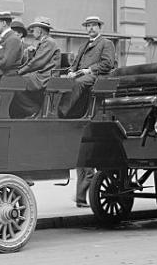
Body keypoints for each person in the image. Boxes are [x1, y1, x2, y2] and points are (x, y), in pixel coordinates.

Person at [65, 15, 117, 207]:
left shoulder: (106, 44)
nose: (90, 29)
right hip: (82, 80)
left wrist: (87, 70)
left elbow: (107, 64)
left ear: (99, 27)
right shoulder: (84, 45)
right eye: (87, 26)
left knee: (76, 84)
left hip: (95, 79)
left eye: (93, 26)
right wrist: (71, 70)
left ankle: (63, 112)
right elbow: (75, 64)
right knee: (66, 82)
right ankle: (80, 197)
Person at [10, 16, 61, 119]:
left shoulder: (48, 42)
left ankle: (33, 110)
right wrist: (30, 54)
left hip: (44, 77)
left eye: (34, 28)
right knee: (13, 81)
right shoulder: (43, 42)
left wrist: (19, 72)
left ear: (40, 30)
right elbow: (34, 61)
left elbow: (36, 63)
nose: (32, 31)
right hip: (40, 75)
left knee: (14, 82)